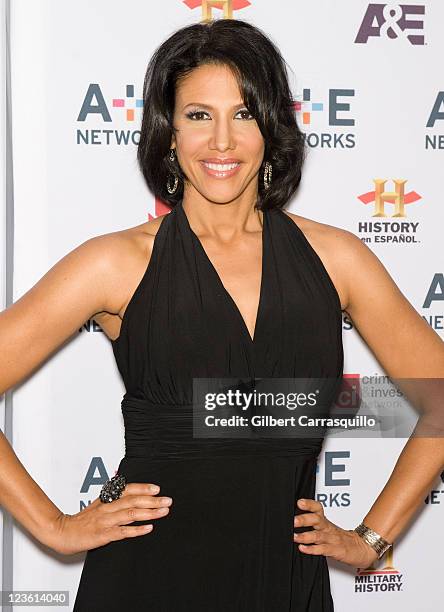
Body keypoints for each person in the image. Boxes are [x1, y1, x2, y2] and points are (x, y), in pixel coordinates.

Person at [0, 18, 443, 611]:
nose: (222, 143)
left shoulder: (338, 260)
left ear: (272, 127)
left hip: (285, 581)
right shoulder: (115, 262)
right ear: (168, 130)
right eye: (198, 115)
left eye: (244, 114)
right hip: (146, 578)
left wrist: (370, 538)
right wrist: (54, 528)